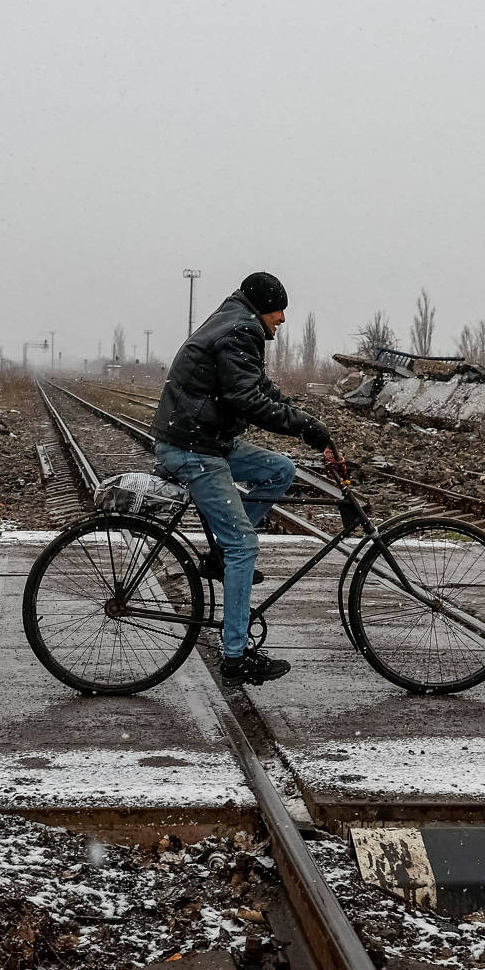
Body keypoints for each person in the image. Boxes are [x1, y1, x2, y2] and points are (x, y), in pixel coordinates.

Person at [152, 272, 337, 685]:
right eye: (279, 309)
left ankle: (222, 556)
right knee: (243, 546)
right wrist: (304, 428)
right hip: (195, 447)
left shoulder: (235, 321)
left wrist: (303, 417)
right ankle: (235, 657)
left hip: (207, 439)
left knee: (279, 470)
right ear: (263, 307)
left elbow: (258, 387)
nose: (284, 318)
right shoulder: (241, 329)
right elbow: (246, 399)